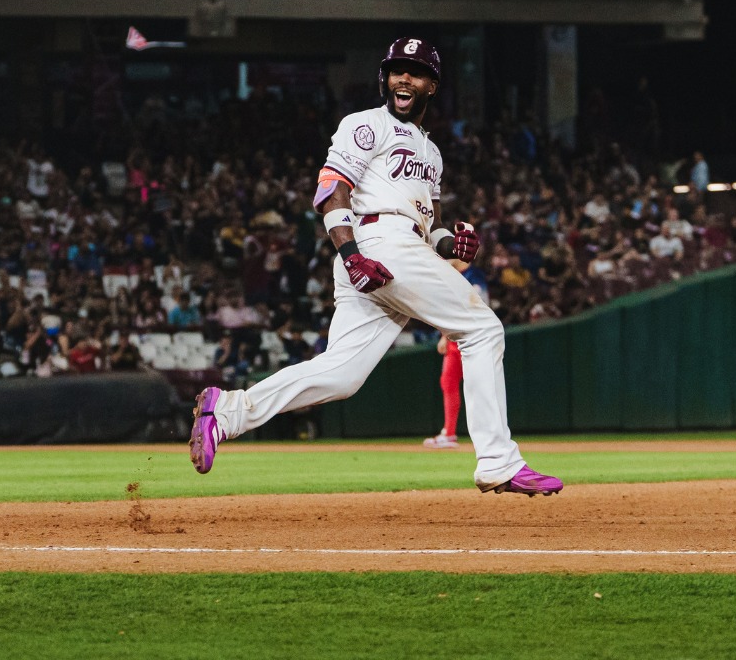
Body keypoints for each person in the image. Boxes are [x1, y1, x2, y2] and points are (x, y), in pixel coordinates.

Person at [189, 37, 562, 496]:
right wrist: (352, 255)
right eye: (397, 69)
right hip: (375, 243)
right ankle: (498, 462)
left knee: (341, 374)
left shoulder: (432, 153)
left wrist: (455, 241)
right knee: (483, 329)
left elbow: (433, 229)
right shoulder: (365, 124)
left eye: (416, 71)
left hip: (397, 247)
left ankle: (226, 411)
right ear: (384, 78)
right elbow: (330, 189)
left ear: (432, 85)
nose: (404, 77)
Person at [423, 332, 463, 449]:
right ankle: (449, 433)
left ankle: (491, 433)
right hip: (454, 339)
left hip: (473, 337)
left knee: (479, 385)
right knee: (448, 382)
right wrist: (445, 336)